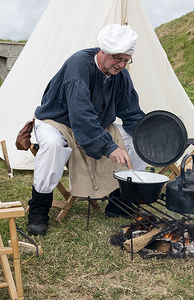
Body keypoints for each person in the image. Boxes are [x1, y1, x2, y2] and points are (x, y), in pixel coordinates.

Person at [27, 24, 147, 236]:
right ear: (103, 52)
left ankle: (120, 200)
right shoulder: (78, 67)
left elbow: (130, 111)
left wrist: (149, 134)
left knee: (138, 139)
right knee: (52, 146)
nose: (121, 65)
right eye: (117, 59)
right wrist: (110, 147)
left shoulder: (121, 75)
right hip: (58, 121)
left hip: (96, 124)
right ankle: (39, 208)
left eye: (126, 60)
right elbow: (80, 114)